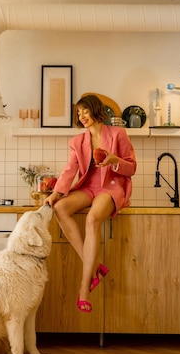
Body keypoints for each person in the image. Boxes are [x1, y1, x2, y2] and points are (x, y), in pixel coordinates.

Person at [43, 94, 136, 313]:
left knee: (93, 219)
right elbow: (70, 170)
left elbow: (131, 168)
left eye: (85, 111)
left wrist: (114, 161)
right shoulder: (77, 141)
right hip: (89, 187)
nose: (82, 116)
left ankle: (84, 288)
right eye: (78, 112)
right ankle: (95, 265)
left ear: (95, 110)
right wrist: (55, 194)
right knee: (60, 208)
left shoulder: (118, 134)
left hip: (111, 187)